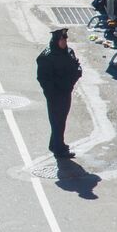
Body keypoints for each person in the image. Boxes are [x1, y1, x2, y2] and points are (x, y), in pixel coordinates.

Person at [36, 28, 82, 159]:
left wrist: (77, 72)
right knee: (57, 121)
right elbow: (43, 78)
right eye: (62, 39)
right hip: (55, 94)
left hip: (66, 91)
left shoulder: (68, 52)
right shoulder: (47, 57)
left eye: (65, 39)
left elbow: (75, 65)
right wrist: (52, 91)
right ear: (56, 40)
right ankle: (59, 149)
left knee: (61, 120)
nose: (64, 41)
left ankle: (55, 144)